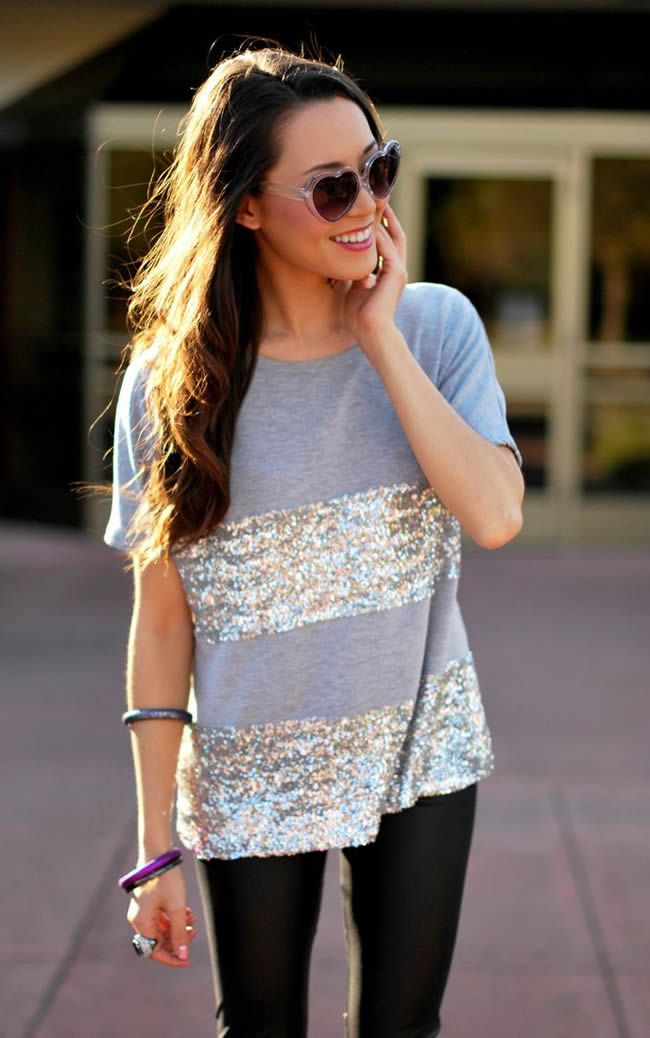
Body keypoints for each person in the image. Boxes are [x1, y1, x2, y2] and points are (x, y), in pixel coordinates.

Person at [102, 41, 525, 1038]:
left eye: (378, 169)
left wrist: (379, 336)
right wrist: (155, 849)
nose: (367, 204)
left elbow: (495, 516)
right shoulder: (172, 383)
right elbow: (161, 625)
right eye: (332, 187)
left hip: (418, 751)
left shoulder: (434, 328)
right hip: (250, 762)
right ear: (247, 204)